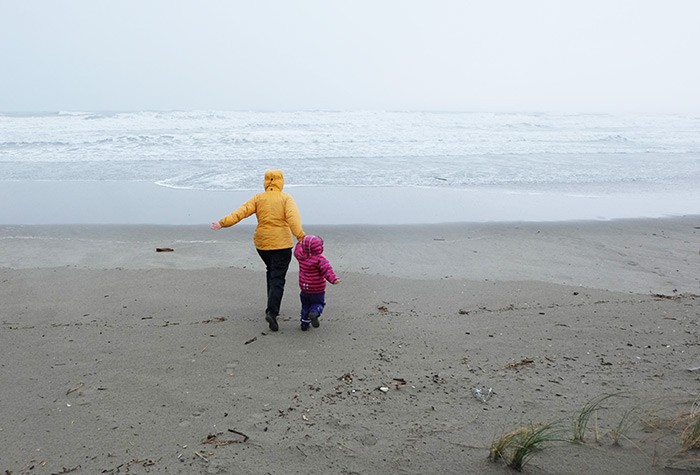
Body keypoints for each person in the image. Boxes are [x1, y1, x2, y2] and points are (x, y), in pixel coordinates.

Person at [211, 170, 305, 332]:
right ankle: (272, 311)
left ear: (266, 182)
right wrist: (301, 237)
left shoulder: (258, 198)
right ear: (281, 181)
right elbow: (293, 218)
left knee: (271, 271)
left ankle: (271, 305)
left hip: (262, 244)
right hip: (281, 244)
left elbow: (241, 212)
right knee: (278, 277)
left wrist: (222, 223)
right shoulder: (286, 198)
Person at [293, 234, 341, 331]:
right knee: (318, 303)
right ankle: (314, 313)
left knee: (305, 305)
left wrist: (300, 241)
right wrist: (333, 279)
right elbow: (327, 270)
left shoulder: (301, 256)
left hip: (304, 288)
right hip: (317, 288)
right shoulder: (320, 259)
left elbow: (297, 250)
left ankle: (304, 323)